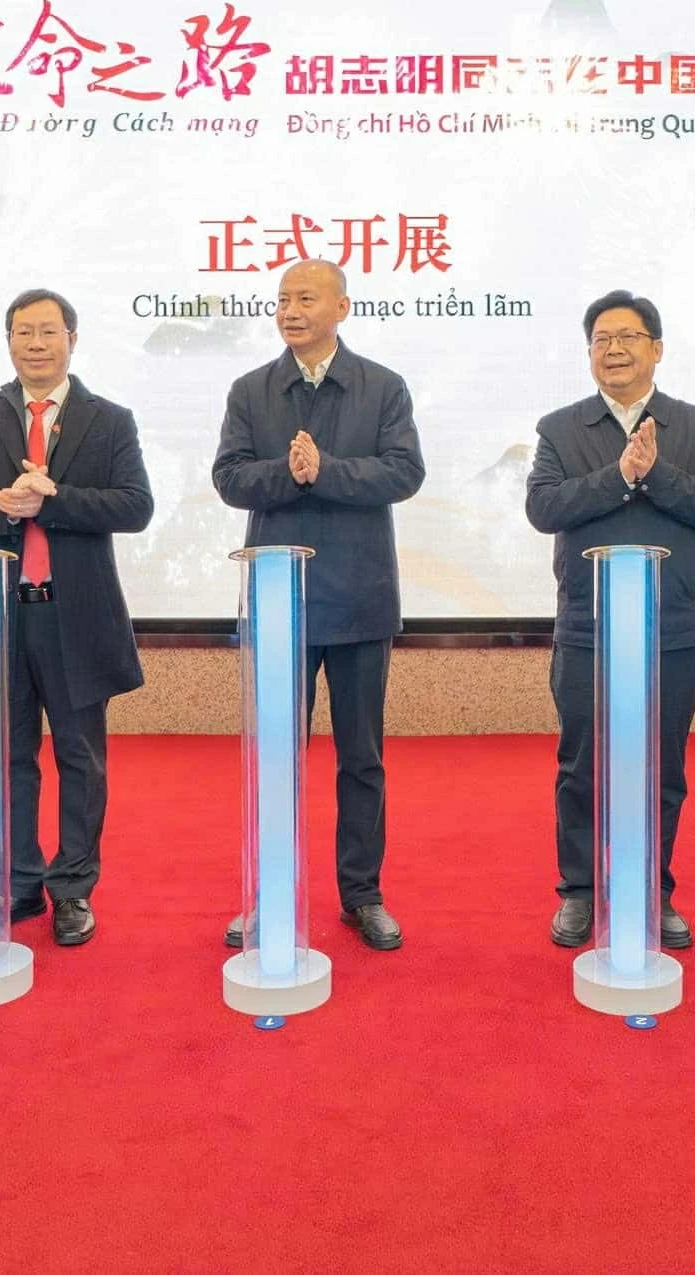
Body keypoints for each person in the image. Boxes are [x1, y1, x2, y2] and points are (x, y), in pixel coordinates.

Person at [0, 289, 154, 948]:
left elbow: (135, 506)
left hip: (75, 614)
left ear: (72, 339)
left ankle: (73, 887)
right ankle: (21, 879)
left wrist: (53, 501)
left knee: (81, 757)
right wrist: (2, 504)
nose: (36, 344)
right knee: (8, 756)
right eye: (23, 332)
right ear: (8, 341)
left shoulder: (109, 420)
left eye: (48, 331)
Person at [213, 259, 425, 951]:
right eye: (282, 299)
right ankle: (269, 893)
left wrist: (326, 471)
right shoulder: (252, 389)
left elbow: (405, 471)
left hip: (360, 599)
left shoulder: (382, 386)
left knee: (361, 758)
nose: (291, 310)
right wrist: (288, 472)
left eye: (306, 297)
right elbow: (228, 478)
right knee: (277, 756)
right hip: (280, 603)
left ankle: (362, 895)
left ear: (342, 307)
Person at [525, 291, 695, 951]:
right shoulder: (560, 428)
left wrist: (656, 473)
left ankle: (652, 888)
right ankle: (580, 891)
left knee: (662, 768)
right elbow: (543, 508)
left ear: (657, 348)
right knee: (581, 764)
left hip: (667, 627)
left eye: (628, 337)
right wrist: (619, 475)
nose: (613, 349)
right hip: (587, 627)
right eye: (601, 339)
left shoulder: (694, 426)